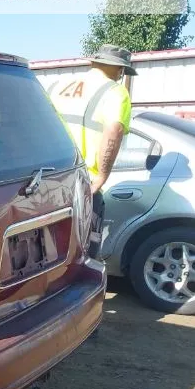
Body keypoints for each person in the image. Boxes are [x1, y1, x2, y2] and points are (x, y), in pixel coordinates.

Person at [46, 44, 136, 259]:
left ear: (94, 63)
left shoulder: (58, 85)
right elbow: (113, 131)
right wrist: (102, 176)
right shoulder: (116, 92)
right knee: (83, 252)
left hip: (49, 180)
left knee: (49, 248)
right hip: (83, 184)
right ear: (119, 69)